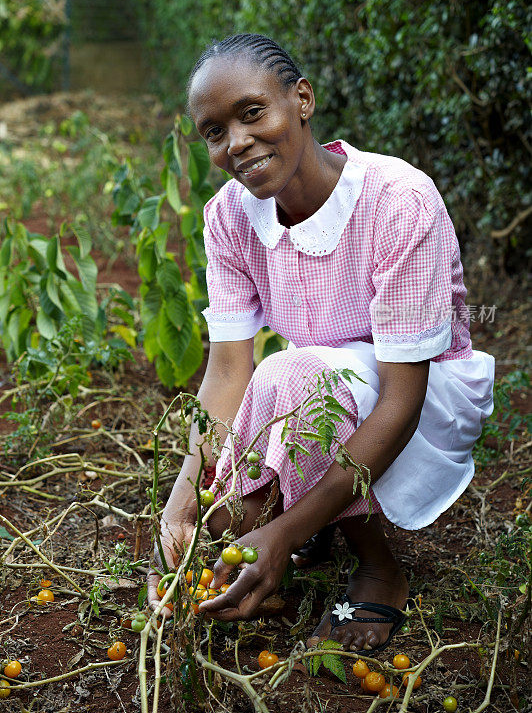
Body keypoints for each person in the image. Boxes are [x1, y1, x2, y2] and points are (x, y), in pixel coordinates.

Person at [147, 33, 495, 654]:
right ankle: (308, 521)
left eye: (252, 113)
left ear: (302, 99)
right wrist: (183, 503)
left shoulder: (397, 200)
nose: (237, 144)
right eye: (214, 132)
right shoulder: (228, 217)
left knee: (292, 377)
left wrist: (279, 534)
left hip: (422, 397)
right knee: (221, 521)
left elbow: (401, 401)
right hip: (328, 387)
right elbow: (227, 372)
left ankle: (380, 569)